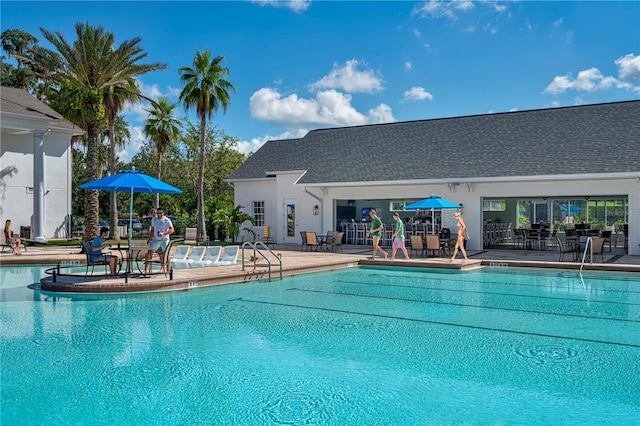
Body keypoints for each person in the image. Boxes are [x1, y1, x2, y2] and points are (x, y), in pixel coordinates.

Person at [146, 207, 174, 273]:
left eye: (161, 213)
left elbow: (172, 230)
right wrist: (149, 239)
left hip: (164, 239)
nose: (159, 214)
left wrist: (164, 233)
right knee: (149, 252)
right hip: (156, 239)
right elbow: (152, 230)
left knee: (166, 254)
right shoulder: (154, 220)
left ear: (163, 213)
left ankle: (168, 270)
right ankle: (146, 269)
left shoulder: (167, 220)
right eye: (158, 213)